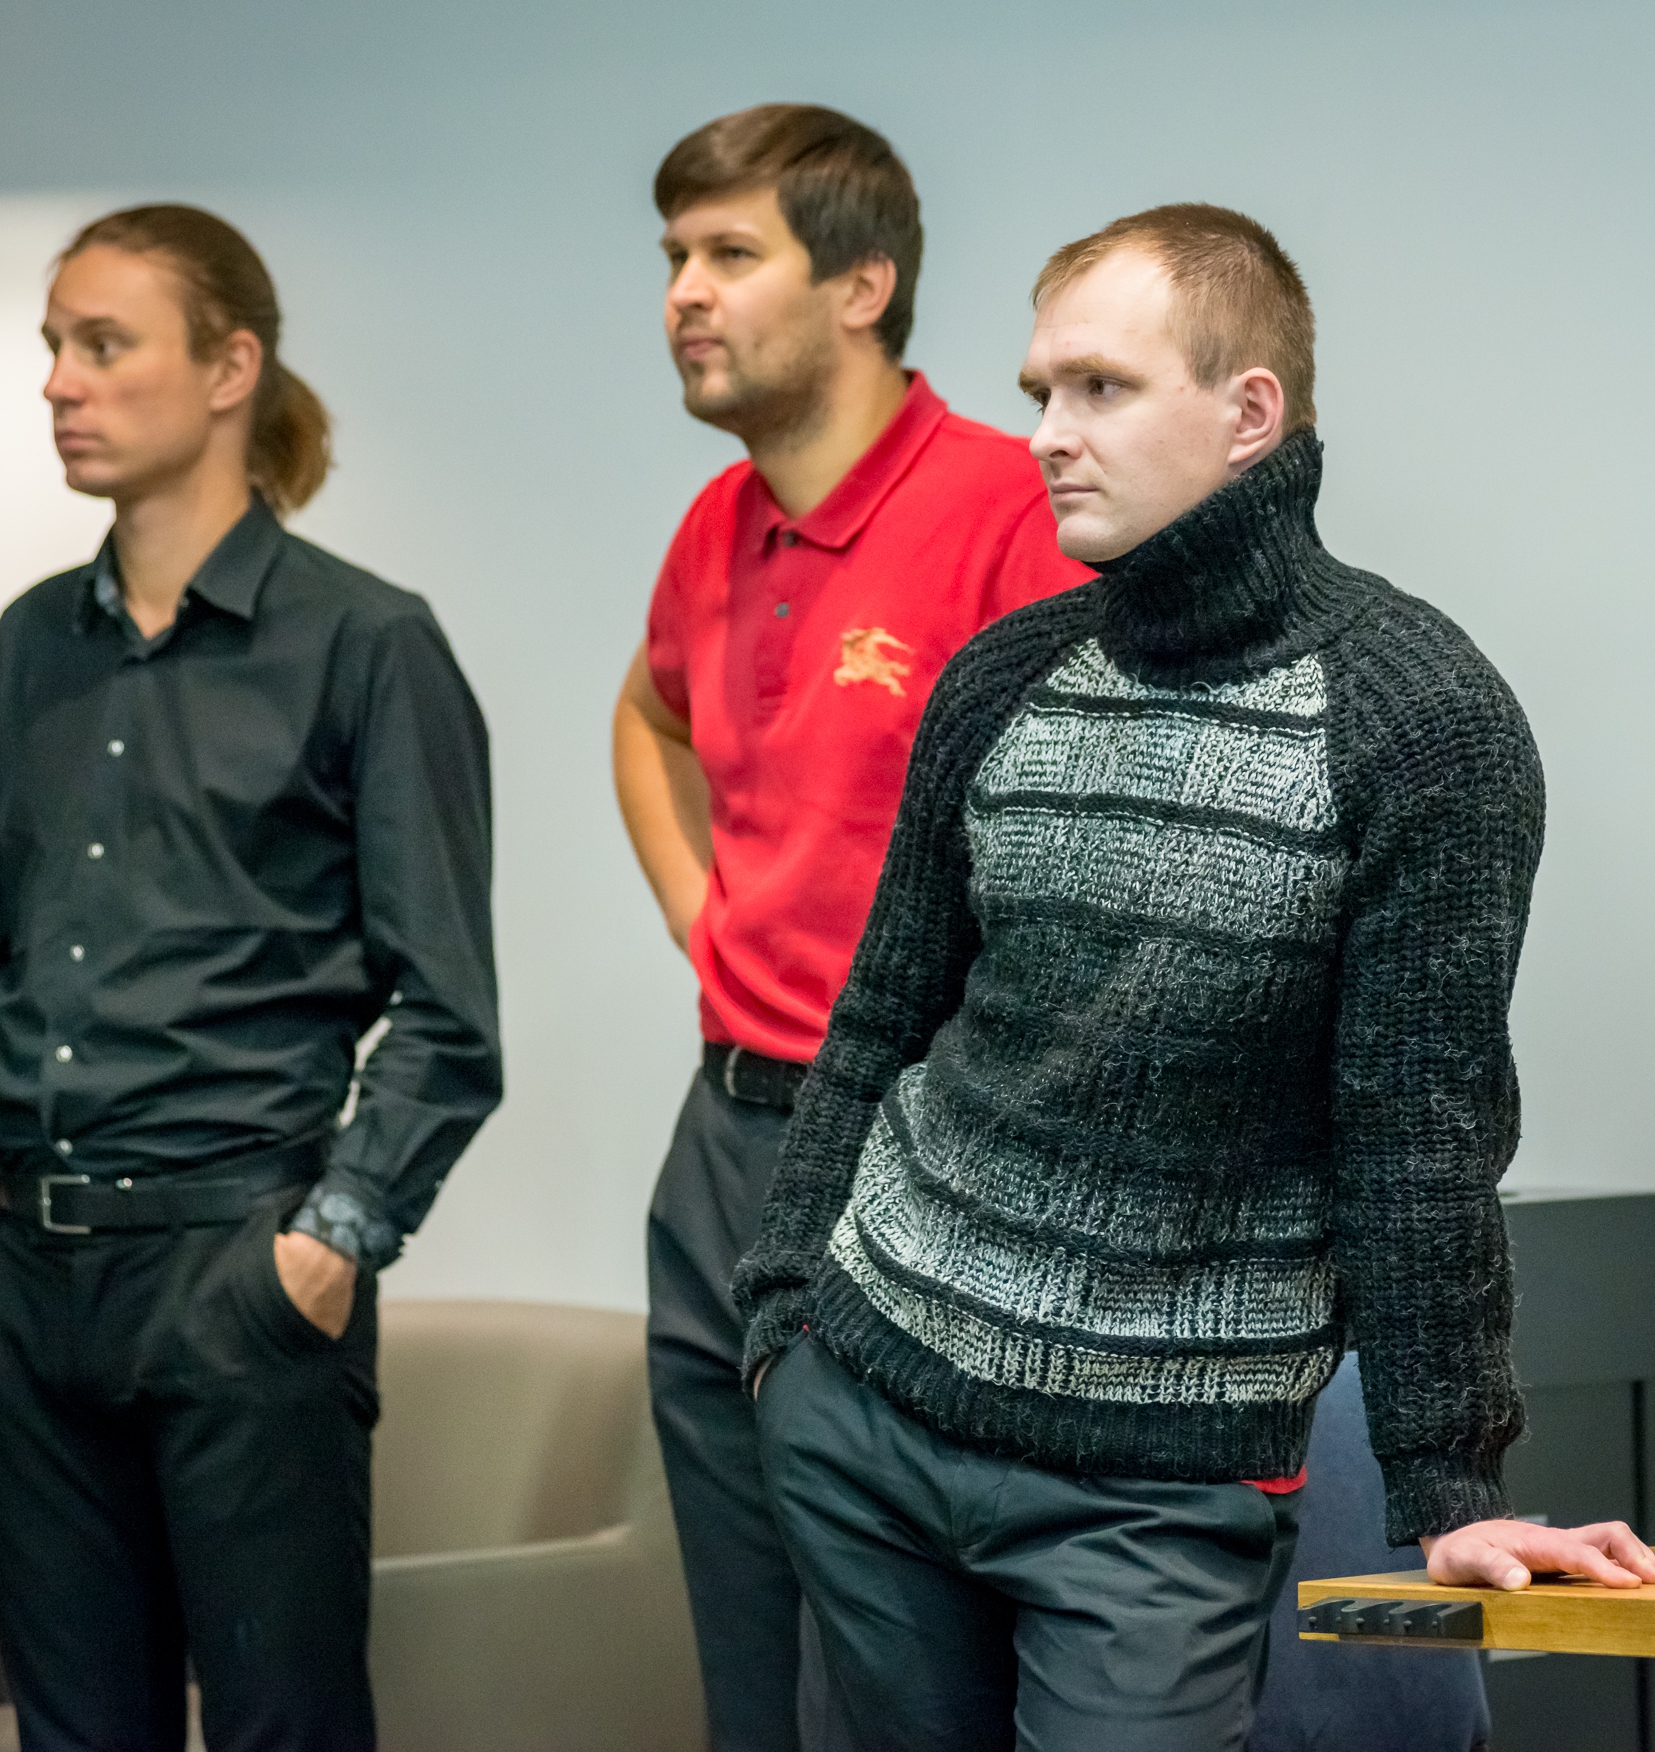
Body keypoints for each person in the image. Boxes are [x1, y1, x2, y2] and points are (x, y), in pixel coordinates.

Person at [736, 204, 1655, 1751]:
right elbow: (881, 1024)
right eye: (1042, 390)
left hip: (1154, 1486)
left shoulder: (1419, 718)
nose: (1047, 434)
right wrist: (783, 1318)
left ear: (1250, 412)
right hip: (867, 1410)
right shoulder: (1003, 678)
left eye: (1100, 389)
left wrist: (1451, 1489)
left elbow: (1420, 1129)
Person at [0, 205, 502, 1752]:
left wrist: (333, 1241)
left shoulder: (367, 642)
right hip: (17, 1282)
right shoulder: (33, 642)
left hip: (238, 1274)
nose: (59, 383)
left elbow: (448, 1014)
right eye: (52, 348)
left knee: (282, 1730)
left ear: (228, 368)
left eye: (103, 344)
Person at [612, 104, 1090, 1751]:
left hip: (909, 1146)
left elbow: (1081, 836)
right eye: (675, 256)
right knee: (749, 1669)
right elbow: (647, 720)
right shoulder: (716, 523)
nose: (685, 291)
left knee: (887, 1681)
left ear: (861, 286)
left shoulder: (1007, 511)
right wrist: (711, 927)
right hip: (721, 1139)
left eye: (730, 254)